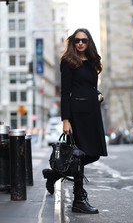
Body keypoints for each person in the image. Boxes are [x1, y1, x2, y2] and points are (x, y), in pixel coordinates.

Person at [42, 28, 108, 214]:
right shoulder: (68, 62)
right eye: (77, 40)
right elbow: (65, 92)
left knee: (93, 154)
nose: (80, 43)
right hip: (77, 114)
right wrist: (65, 119)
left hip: (92, 113)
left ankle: (54, 173)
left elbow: (90, 87)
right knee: (78, 155)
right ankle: (78, 200)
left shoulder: (93, 61)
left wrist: (99, 95)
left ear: (89, 42)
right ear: (73, 42)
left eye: (84, 40)